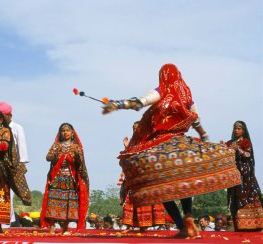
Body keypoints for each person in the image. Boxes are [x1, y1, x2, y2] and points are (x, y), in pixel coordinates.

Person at [102, 63, 242, 239]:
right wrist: (204, 137)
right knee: (183, 184)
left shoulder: (161, 91)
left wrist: (117, 104)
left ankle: (181, 225)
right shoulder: (187, 95)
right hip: (182, 145)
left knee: (161, 187)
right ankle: (189, 217)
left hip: (160, 147)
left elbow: (139, 102)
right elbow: (196, 120)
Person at [40, 123, 89, 234]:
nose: (65, 132)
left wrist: (77, 156)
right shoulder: (56, 145)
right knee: (53, 201)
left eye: (67, 130)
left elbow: (80, 164)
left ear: (72, 133)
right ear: (60, 133)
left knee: (68, 202)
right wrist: (55, 154)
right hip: (57, 176)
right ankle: (52, 227)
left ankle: (65, 228)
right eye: (63, 131)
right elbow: (48, 158)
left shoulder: (76, 147)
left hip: (71, 178)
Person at [121, 121, 165, 232]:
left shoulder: (150, 143)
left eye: (138, 129)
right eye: (134, 129)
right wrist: (127, 149)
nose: (136, 131)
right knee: (131, 199)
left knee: (145, 199)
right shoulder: (132, 145)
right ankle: (129, 225)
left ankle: (144, 225)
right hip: (133, 178)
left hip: (146, 177)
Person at [0, 101, 31, 226]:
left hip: (13, 164)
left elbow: (21, 146)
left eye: (2, 116)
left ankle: (7, 221)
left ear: (9, 115)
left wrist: (22, 164)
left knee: (10, 192)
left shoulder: (17, 128)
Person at [225, 121, 263, 231]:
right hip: (234, 174)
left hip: (245, 176)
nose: (236, 130)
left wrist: (239, 150)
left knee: (248, 195)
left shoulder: (246, 141)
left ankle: (255, 224)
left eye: (239, 128)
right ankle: (239, 225)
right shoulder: (230, 142)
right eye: (235, 128)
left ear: (243, 130)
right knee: (234, 196)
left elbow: (248, 155)